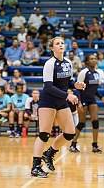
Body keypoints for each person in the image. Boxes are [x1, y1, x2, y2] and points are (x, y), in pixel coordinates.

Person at [30, 36, 85, 178]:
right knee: (44, 134)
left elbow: (69, 82)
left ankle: (49, 153)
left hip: (60, 101)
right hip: (48, 101)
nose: (60, 45)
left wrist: (75, 85)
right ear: (52, 48)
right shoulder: (49, 63)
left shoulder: (68, 62)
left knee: (70, 133)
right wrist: (67, 95)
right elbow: (48, 87)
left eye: (62, 43)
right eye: (57, 43)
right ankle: (35, 167)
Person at [69, 54, 104, 153]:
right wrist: (78, 102)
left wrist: (103, 98)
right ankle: (73, 144)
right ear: (87, 62)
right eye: (91, 58)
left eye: (95, 58)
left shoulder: (97, 73)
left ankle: (95, 145)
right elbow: (77, 88)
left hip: (92, 99)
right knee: (81, 123)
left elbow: (95, 89)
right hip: (83, 99)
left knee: (95, 122)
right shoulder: (83, 72)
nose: (94, 60)